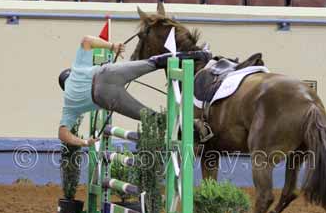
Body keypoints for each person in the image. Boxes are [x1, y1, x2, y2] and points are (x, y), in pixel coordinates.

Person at [58, 35, 212, 147]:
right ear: (69, 74)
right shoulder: (77, 69)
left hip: (105, 98)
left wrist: (85, 142)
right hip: (106, 73)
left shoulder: (69, 106)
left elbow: (62, 134)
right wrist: (112, 46)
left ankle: (192, 127)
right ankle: (200, 55)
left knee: (150, 116)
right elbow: (86, 40)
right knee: (153, 62)